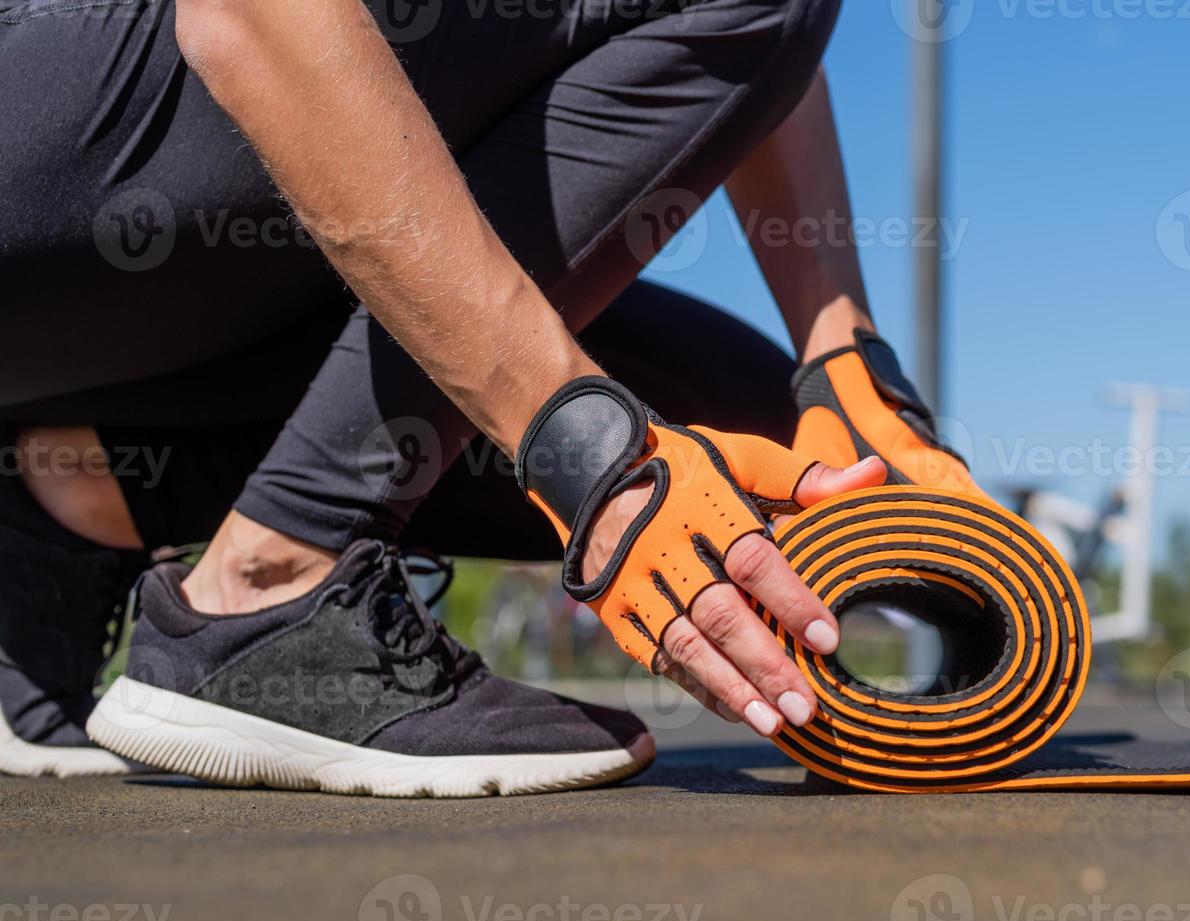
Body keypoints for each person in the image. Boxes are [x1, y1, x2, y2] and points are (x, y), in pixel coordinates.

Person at [0, 0, 976, 795]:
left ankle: (70, 492)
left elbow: (760, 62)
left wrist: (838, 356)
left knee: (752, 433)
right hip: (57, 123)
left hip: (110, 274)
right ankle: (272, 582)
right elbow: (252, 15)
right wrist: (586, 447)